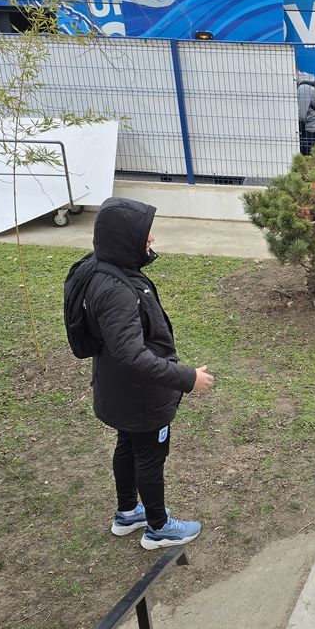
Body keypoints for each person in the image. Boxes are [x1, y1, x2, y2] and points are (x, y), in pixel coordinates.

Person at [85, 197, 215, 550]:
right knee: (149, 457)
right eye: (144, 233)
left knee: (128, 444)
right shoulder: (115, 291)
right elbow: (132, 356)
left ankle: (128, 511)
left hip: (118, 392)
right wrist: (187, 378)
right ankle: (157, 527)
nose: (152, 239)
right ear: (124, 238)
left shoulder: (101, 269)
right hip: (141, 397)